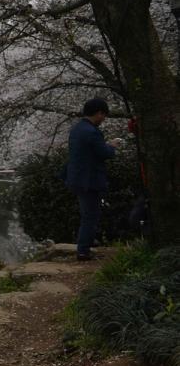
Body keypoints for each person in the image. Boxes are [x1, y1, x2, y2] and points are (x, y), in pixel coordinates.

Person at [64, 98, 122, 261]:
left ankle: (88, 241)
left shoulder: (77, 129)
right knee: (91, 215)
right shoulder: (92, 132)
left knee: (87, 213)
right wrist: (112, 146)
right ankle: (83, 251)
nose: (104, 119)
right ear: (98, 113)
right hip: (89, 180)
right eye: (104, 115)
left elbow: (88, 151)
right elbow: (104, 153)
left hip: (77, 178)